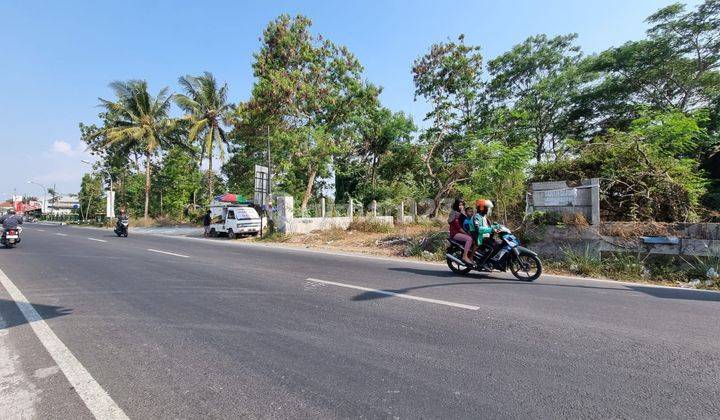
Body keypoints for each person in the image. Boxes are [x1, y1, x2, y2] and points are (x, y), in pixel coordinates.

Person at [472, 199, 500, 267]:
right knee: (494, 247)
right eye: (487, 208)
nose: (488, 210)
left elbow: (488, 226)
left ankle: (490, 261)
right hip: (480, 237)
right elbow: (478, 229)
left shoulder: (484, 217)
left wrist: (498, 226)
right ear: (482, 208)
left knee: (499, 245)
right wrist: (491, 229)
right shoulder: (477, 217)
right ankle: (482, 262)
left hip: (486, 237)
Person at [448, 198, 474, 265]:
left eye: (462, 205)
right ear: (456, 205)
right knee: (469, 239)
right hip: (455, 234)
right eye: (459, 205)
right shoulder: (455, 214)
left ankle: (471, 257)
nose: (461, 206)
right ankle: (465, 256)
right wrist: (467, 233)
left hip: (459, 232)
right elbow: (458, 228)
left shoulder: (460, 213)